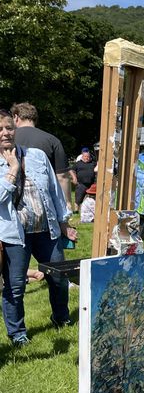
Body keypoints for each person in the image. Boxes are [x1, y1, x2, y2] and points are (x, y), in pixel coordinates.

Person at [0, 109, 77, 347]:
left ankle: (61, 319)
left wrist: (64, 223)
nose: (5, 133)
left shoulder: (37, 156)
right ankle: (18, 334)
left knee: (59, 279)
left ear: (16, 128)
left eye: (9, 127)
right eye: (0, 129)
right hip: (15, 235)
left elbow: (54, 190)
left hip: (47, 230)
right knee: (15, 286)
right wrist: (12, 169)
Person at [10, 102, 72, 212]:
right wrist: (66, 203)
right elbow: (62, 176)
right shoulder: (52, 140)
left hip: (12, 202)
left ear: (15, 117)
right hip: (44, 205)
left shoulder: (6, 140)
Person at [70, 147, 96, 213]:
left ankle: (90, 211)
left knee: (92, 199)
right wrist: (74, 178)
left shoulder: (93, 163)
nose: (86, 158)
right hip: (81, 184)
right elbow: (71, 170)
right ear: (82, 156)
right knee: (78, 199)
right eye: (85, 156)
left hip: (91, 184)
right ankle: (76, 211)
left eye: (88, 156)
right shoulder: (78, 163)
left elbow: (98, 168)